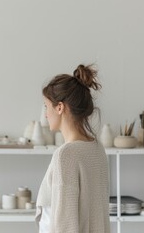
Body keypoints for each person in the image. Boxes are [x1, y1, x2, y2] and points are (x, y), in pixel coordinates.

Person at [35, 64, 110, 233]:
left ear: (59, 107)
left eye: (46, 106)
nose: (46, 114)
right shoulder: (97, 149)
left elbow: (64, 224)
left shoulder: (66, 155)